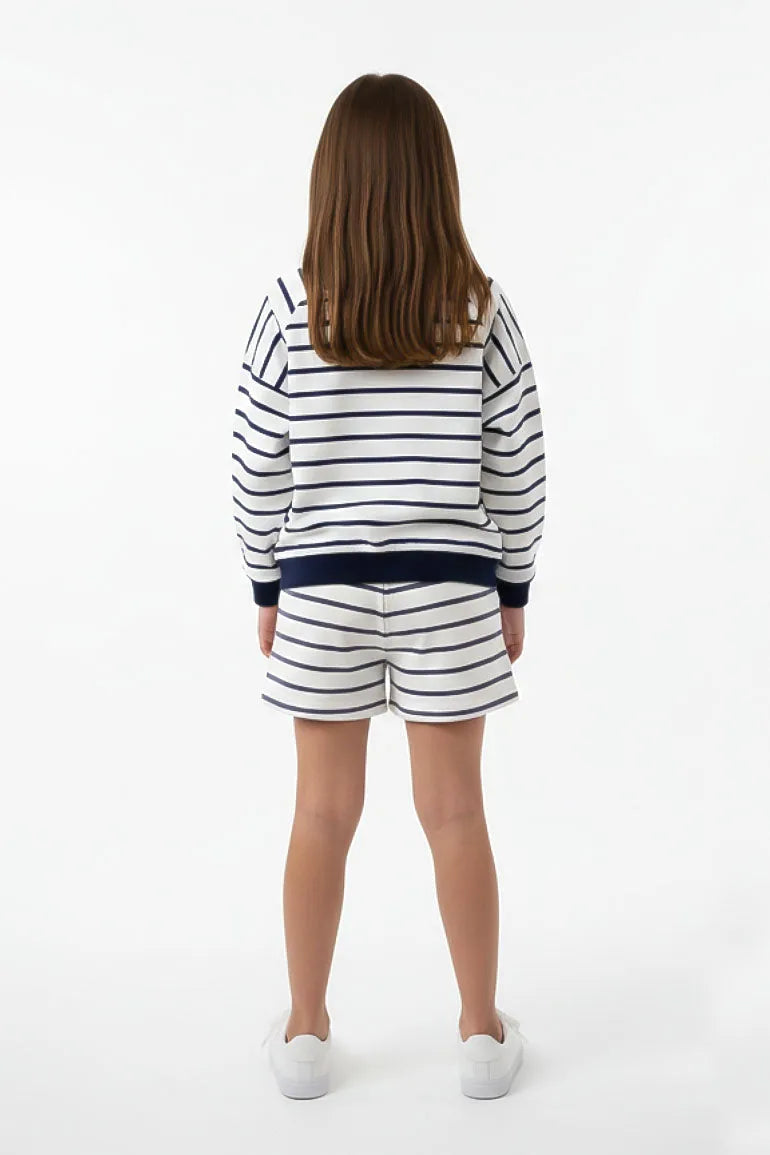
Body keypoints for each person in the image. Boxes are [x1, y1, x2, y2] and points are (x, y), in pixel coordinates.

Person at [232, 72, 546, 1100]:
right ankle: (480, 1036)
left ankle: (306, 1035)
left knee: (320, 814)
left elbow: (255, 468)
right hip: (449, 591)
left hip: (321, 591)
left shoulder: (287, 311)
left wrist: (266, 584)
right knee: (455, 814)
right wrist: (512, 587)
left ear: (331, 182)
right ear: (435, 181)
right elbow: (519, 467)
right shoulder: (481, 312)